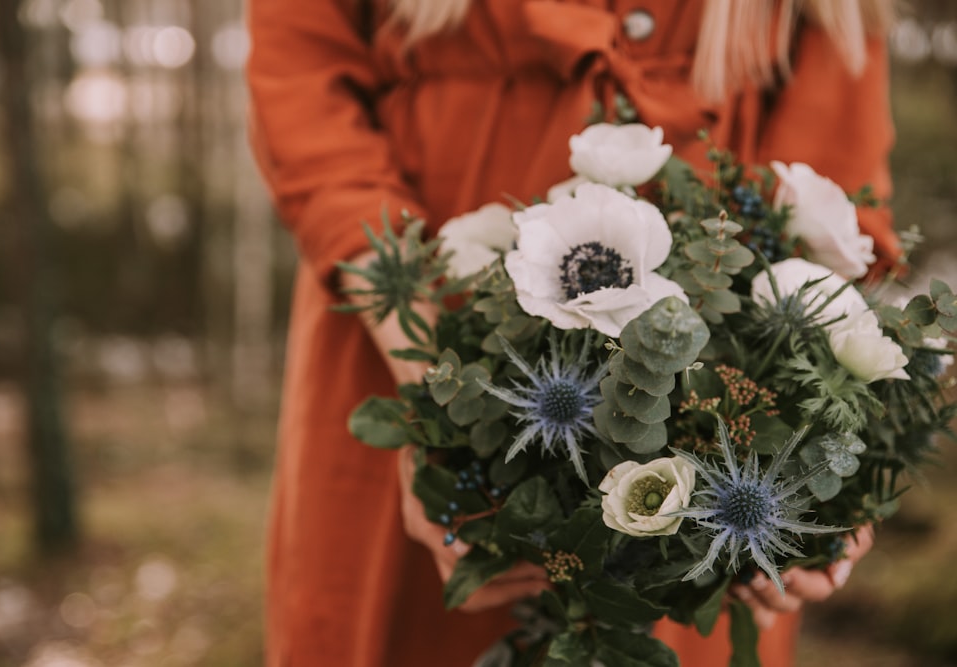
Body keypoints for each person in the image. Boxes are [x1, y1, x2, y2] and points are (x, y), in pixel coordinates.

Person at [246, 1, 896, 665]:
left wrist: (820, 457)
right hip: (407, 322)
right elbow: (307, 93)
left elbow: (832, 187)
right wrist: (441, 404)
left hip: (706, 399)